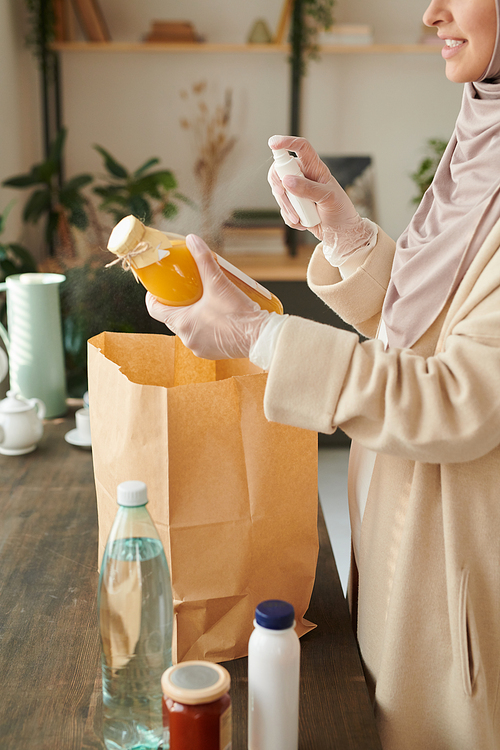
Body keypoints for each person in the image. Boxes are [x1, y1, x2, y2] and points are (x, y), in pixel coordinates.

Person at [146, 0, 500, 747]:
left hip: (456, 590)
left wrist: (260, 336)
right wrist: (344, 230)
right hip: (402, 563)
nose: (432, 13)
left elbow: (458, 401)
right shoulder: (484, 131)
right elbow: (434, 329)